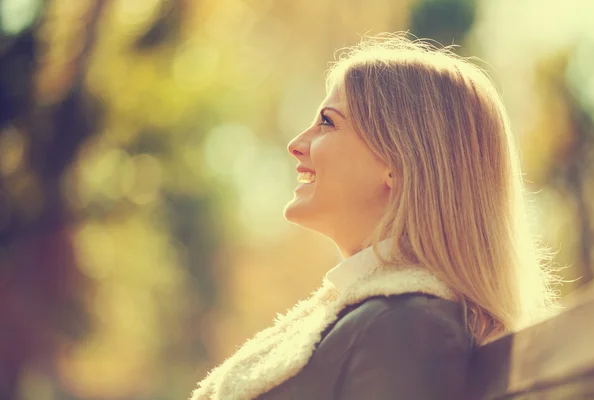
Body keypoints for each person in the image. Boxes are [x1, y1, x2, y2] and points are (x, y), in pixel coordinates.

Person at [190, 32, 563, 400]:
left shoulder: (408, 327)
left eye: (328, 122)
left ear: (398, 164)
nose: (296, 144)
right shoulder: (381, 318)